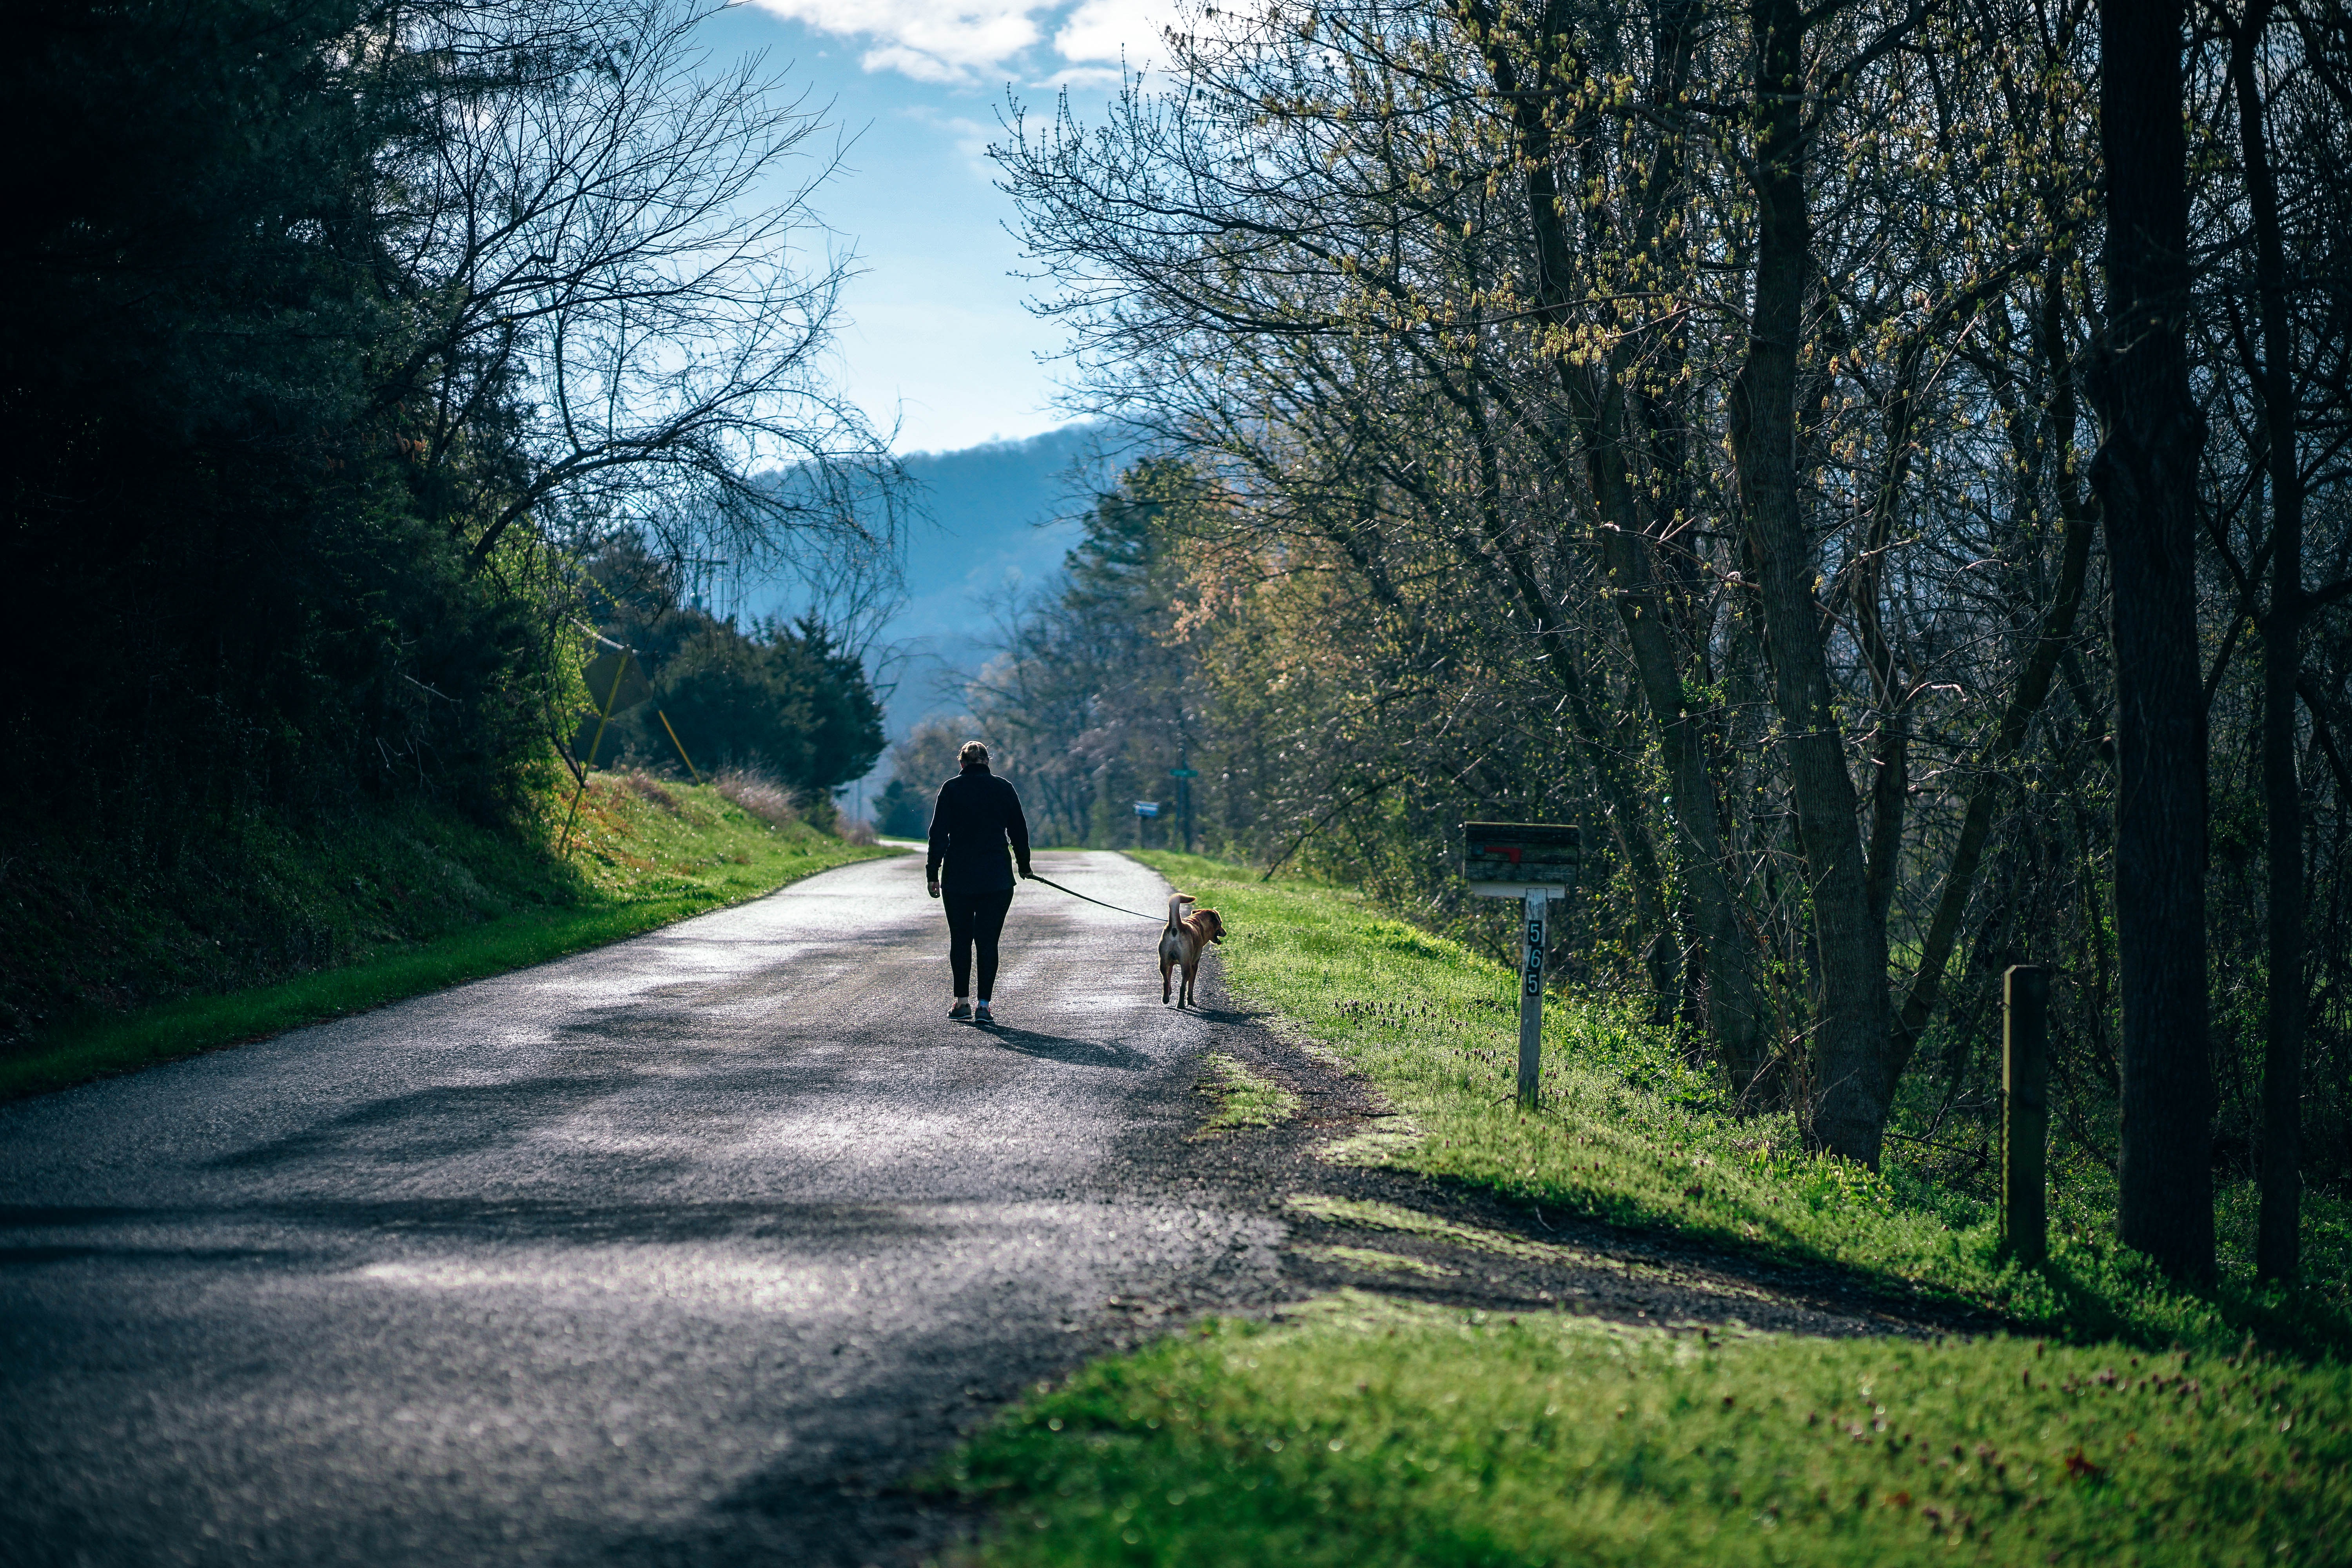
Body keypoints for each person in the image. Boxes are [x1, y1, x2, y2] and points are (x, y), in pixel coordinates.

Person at [925, 740, 1032, 1024]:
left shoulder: (951, 789)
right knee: (988, 941)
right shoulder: (1004, 788)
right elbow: (1019, 833)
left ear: (962, 763)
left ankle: (961, 1003)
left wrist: (932, 873)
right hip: (996, 878)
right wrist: (1024, 866)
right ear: (987, 762)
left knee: (960, 939)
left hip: (958, 878)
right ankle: (984, 1006)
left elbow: (938, 835)